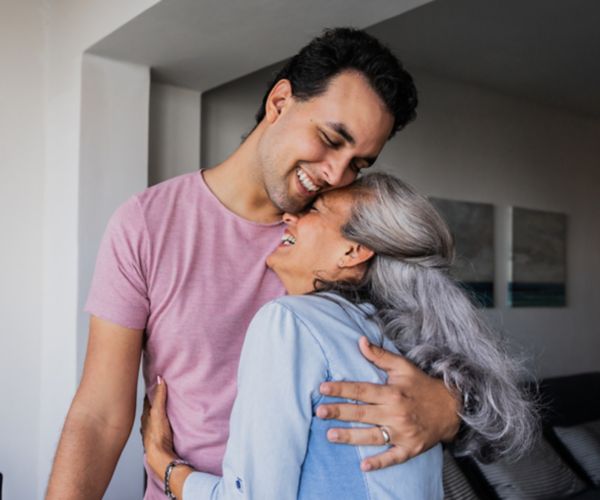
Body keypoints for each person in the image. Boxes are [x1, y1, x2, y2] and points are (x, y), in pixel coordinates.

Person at [46, 28, 463, 500]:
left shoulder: (348, 244)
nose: (336, 174)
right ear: (280, 102)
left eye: (358, 164)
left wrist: (448, 408)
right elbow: (100, 414)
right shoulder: (146, 224)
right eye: (330, 139)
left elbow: (448, 359)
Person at [141, 173, 537, 499]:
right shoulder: (399, 342)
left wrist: (165, 466)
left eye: (314, 210)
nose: (289, 217)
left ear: (353, 252)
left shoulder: (288, 322)